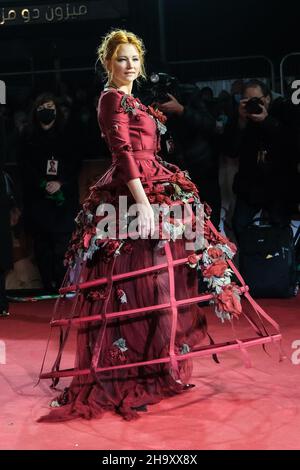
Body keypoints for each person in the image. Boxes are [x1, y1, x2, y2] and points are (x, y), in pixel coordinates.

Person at [38, 30, 280, 422]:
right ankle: (128, 368)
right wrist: (141, 201)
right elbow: (122, 153)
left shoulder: (136, 99)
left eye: (134, 58)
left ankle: (154, 365)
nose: (129, 64)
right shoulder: (111, 98)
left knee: (158, 284)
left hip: (157, 183)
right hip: (133, 192)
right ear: (108, 63)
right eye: (121, 59)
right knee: (131, 285)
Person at [18, 93, 81, 293]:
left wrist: (60, 183)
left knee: (62, 244)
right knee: (42, 246)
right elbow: (24, 167)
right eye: (42, 107)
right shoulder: (27, 137)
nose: (47, 111)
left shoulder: (68, 136)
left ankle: (63, 284)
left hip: (63, 200)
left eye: (50, 107)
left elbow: (75, 164)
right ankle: (47, 285)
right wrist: (42, 183)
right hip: (38, 200)